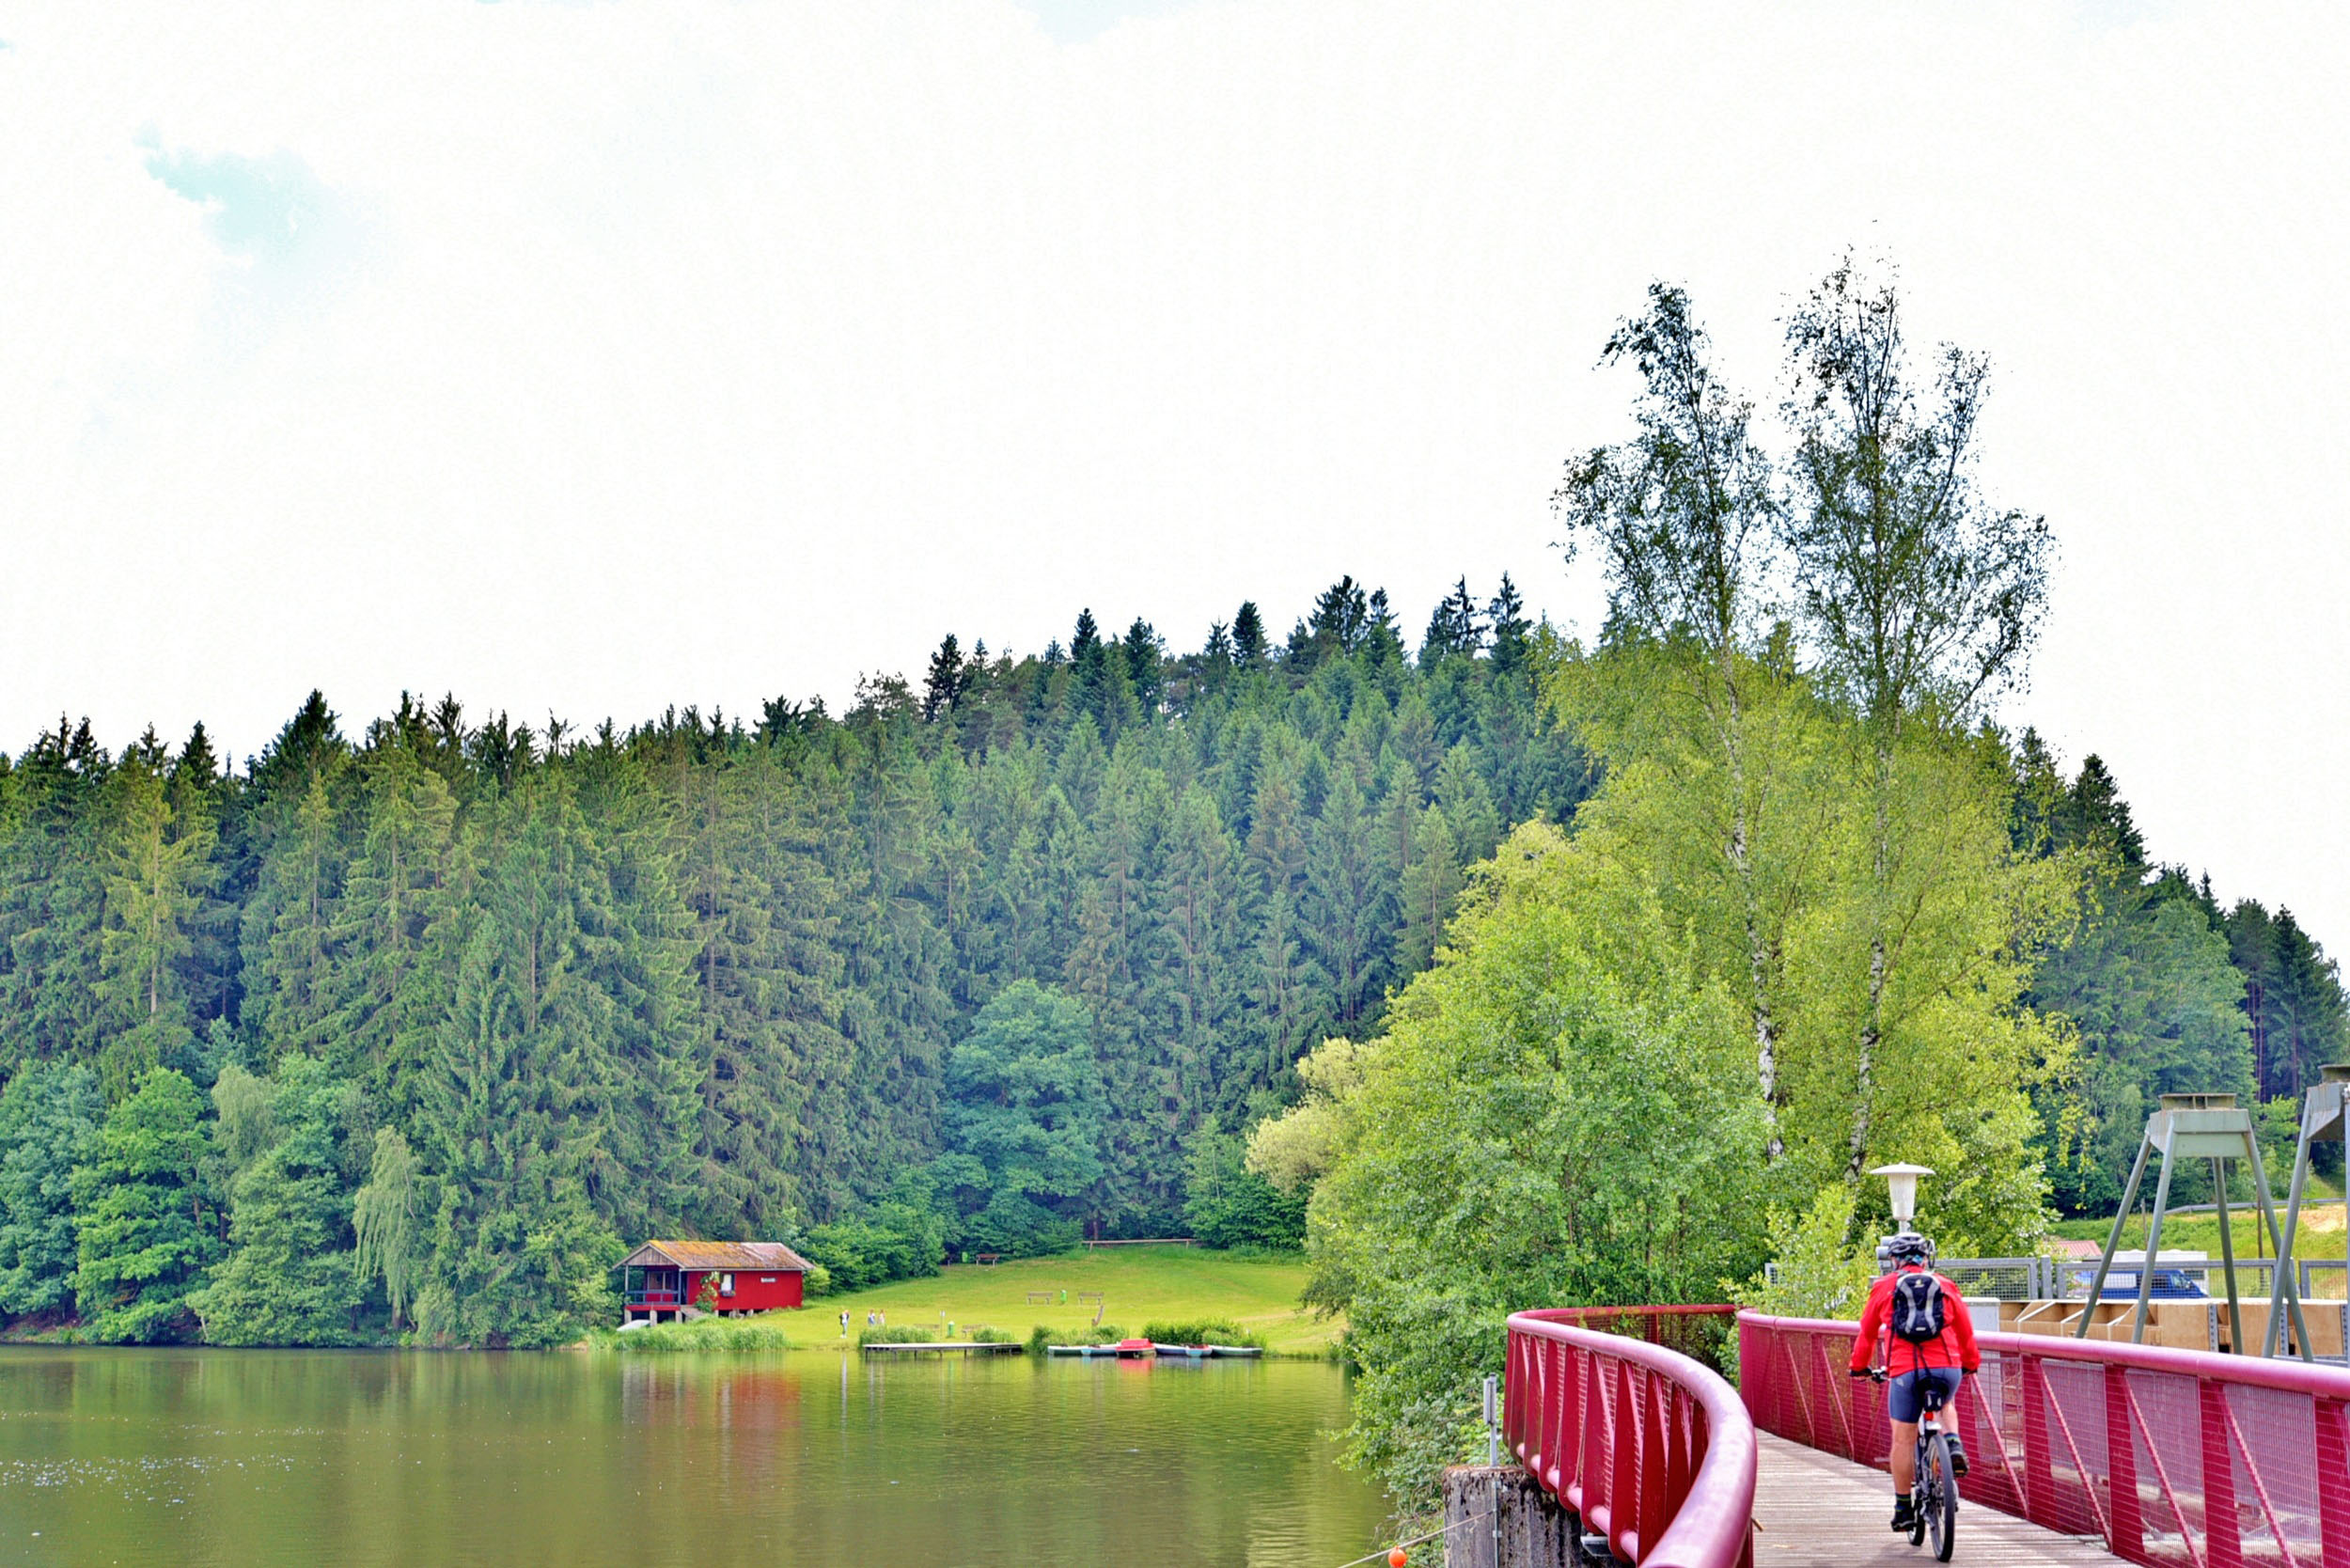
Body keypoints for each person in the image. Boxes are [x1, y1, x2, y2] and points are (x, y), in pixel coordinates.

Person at [1849, 1232, 1979, 1533]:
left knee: (1903, 1439)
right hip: (1946, 1368)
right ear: (1925, 1257)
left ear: (1893, 1259)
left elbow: (1867, 1333)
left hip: (1905, 1372)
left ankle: (1903, 1507)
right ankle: (1952, 1442)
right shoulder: (1945, 1285)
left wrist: (1859, 1368)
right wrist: (1969, 1363)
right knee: (1945, 1401)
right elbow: (1966, 1331)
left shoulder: (1884, 1287)